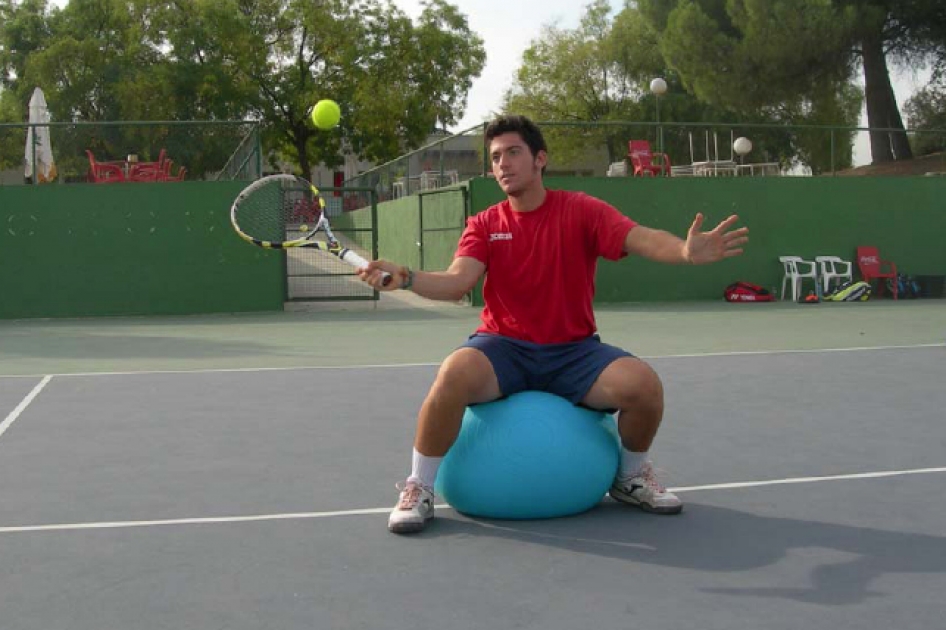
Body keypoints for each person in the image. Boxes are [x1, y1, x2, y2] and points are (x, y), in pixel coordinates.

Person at [358, 115, 748, 534]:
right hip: (503, 348)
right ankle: (420, 487)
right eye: (495, 158)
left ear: (539, 159)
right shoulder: (486, 224)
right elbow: (458, 281)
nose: (503, 164)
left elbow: (640, 237)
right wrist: (408, 277)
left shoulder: (581, 210)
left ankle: (630, 476)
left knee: (644, 387)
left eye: (513, 152)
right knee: (453, 374)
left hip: (573, 352)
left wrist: (685, 252)